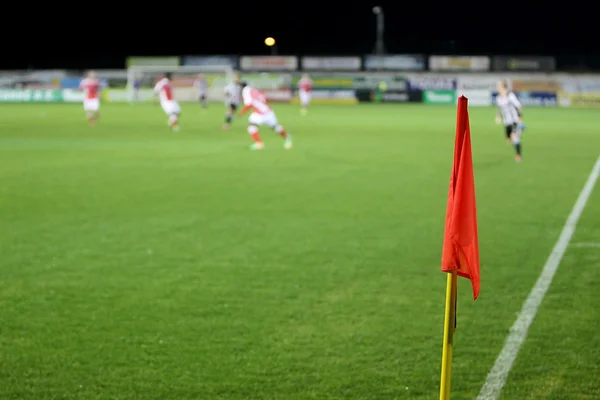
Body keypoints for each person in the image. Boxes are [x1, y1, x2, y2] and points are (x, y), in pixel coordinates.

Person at [239, 81, 292, 150]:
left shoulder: (246, 91)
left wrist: (242, 113)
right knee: (275, 127)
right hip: (268, 111)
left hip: (260, 113)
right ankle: (287, 138)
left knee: (251, 127)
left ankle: (259, 143)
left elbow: (249, 104)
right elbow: (263, 97)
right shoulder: (254, 90)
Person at [495, 80, 524, 162]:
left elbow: (519, 106)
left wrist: (519, 116)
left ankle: (518, 156)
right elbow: (500, 109)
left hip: (514, 120)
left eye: (499, 86)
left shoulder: (510, 96)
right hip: (507, 122)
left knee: (515, 137)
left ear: (503, 87)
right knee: (509, 139)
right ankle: (521, 129)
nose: (497, 88)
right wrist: (498, 117)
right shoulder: (499, 98)